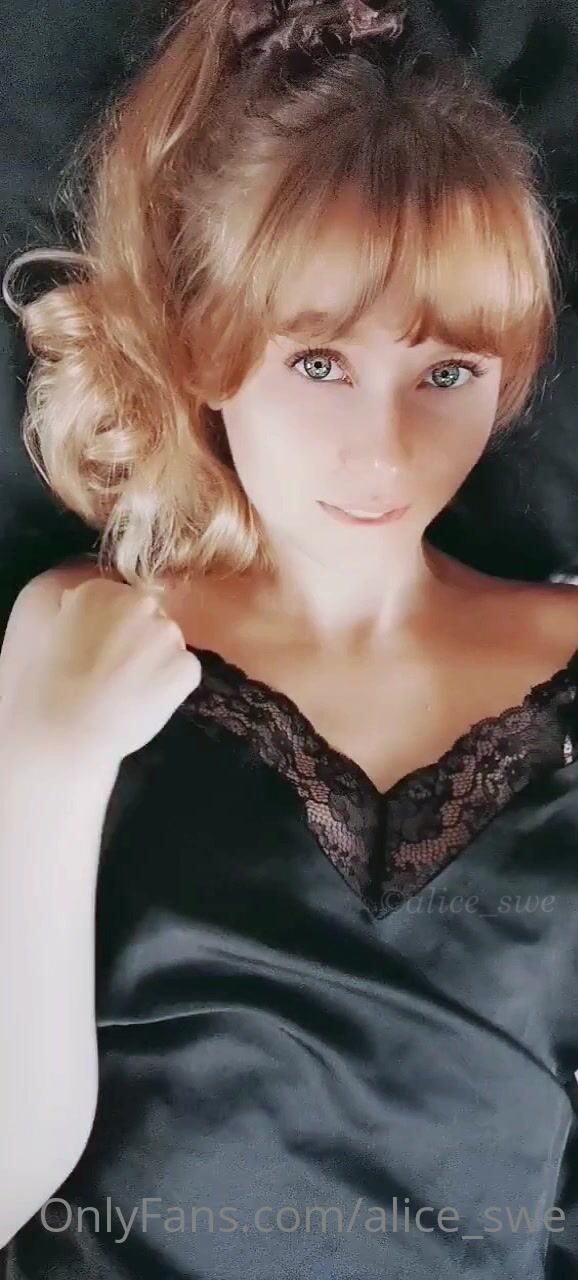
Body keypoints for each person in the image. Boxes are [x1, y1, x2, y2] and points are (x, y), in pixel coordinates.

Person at [2, 0, 578, 1275]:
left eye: (445, 373)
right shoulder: (84, 636)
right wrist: (46, 769)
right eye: (318, 362)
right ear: (207, 346)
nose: (384, 451)